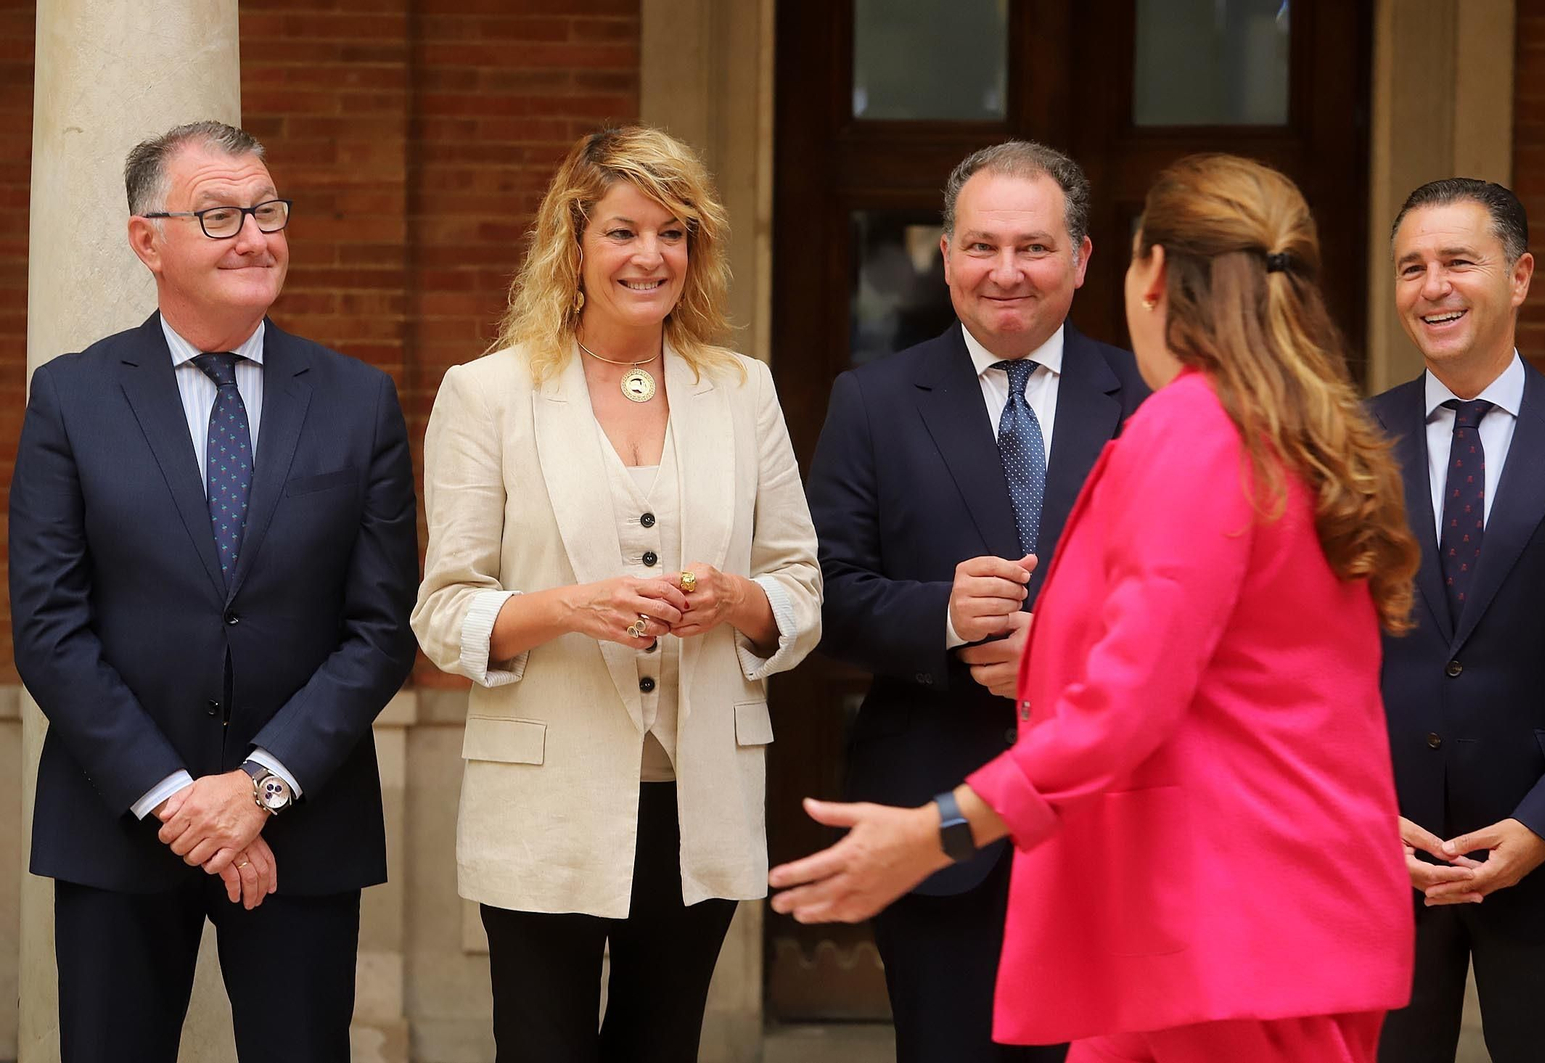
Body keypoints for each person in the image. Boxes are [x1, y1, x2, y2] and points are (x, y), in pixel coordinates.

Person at [773, 153, 1421, 1063]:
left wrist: (936, 828)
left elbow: (1130, 698)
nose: (1008, 270)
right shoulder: (1297, 426)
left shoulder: (1193, 429)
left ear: (1145, 271)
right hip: (1266, 898)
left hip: (1227, 919)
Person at [8, 120, 418, 1062]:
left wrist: (260, 788)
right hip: (117, 824)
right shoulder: (71, 397)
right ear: (147, 240)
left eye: (268, 212)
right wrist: (178, 801)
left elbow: (379, 629)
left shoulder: (358, 400)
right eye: (221, 216)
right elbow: (49, 627)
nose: (255, 237)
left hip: (304, 828)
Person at [411, 126, 821, 1063]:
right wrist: (568, 606)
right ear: (574, 241)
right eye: (624, 231)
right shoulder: (487, 394)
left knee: (662, 1046)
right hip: (544, 800)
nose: (651, 256)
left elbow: (800, 584)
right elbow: (444, 610)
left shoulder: (743, 391)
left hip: (700, 799)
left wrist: (736, 599)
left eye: (673, 232)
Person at [804, 140, 1148, 1063]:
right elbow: (823, 595)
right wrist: (944, 618)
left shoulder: (1149, 400)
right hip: (936, 816)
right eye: (983, 246)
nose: (1007, 271)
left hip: (1112, 827)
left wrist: (1062, 644)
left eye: (1034, 247)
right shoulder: (872, 401)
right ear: (947, 254)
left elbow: (1194, 609)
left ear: (1081, 258)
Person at [1370, 179, 1545, 1063]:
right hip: (1383, 862)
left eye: (1458, 261)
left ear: (1521, 275)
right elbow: (1311, 660)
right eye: (1411, 267)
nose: (1433, 286)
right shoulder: (1350, 445)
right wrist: (1361, 811)